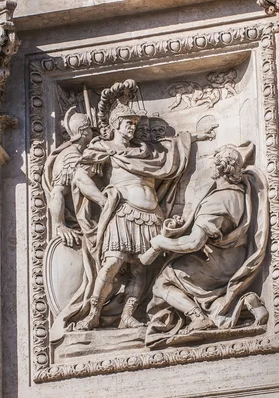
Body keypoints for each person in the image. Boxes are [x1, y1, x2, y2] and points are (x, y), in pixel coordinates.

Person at [50, 101, 216, 338]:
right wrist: (102, 200)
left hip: (151, 216)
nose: (132, 128)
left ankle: (128, 316)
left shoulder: (147, 151)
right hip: (123, 212)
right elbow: (80, 177)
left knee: (141, 268)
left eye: (135, 124)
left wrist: (197, 136)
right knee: (112, 263)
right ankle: (93, 314)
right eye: (128, 123)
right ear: (116, 125)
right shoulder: (103, 148)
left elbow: (175, 147)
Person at [142, 144, 270, 348]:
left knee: (162, 283)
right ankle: (243, 302)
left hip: (216, 265)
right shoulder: (240, 192)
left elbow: (194, 242)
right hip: (235, 259)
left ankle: (198, 317)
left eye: (213, 162)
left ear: (219, 168)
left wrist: (161, 243)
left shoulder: (216, 202)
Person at [43, 107, 93, 247]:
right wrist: (60, 225)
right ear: (83, 131)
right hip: (78, 222)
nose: (92, 132)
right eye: (90, 129)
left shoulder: (80, 153)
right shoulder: (70, 157)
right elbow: (57, 192)